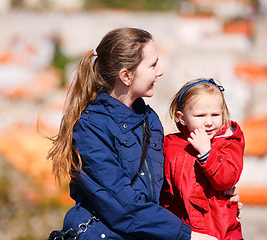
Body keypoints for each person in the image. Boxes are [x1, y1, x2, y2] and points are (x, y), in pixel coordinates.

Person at [47, 28, 220, 240]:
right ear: (126, 76)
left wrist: (219, 199)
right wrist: (186, 236)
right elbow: (121, 203)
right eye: (153, 64)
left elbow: (166, 186)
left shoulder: (149, 119)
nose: (160, 71)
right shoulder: (91, 128)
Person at [160, 78, 244, 240]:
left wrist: (207, 153)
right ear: (182, 118)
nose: (209, 122)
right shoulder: (170, 144)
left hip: (222, 230)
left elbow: (226, 180)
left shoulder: (227, 142)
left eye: (215, 115)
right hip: (184, 227)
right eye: (200, 115)